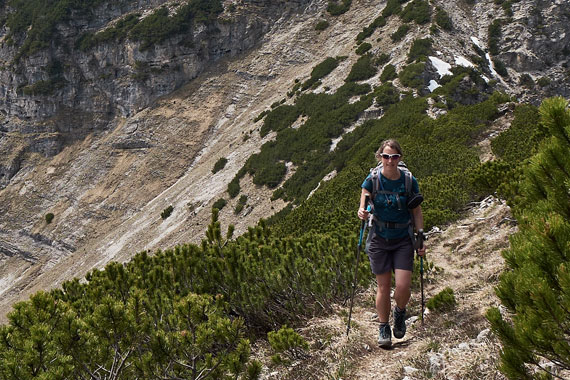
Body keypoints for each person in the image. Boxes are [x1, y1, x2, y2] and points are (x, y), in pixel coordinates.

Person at [357, 139, 426, 348]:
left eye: (394, 157)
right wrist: (362, 211)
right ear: (380, 157)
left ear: (400, 158)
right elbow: (364, 201)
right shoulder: (373, 179)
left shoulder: (408, 181)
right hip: (379, 238)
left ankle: (400, 312)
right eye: (386, 156)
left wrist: (420, 237)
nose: (390, 161)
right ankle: (383, 326)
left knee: (403, 285)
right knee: (383, 286)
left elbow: (417, 211)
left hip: (403, 238)